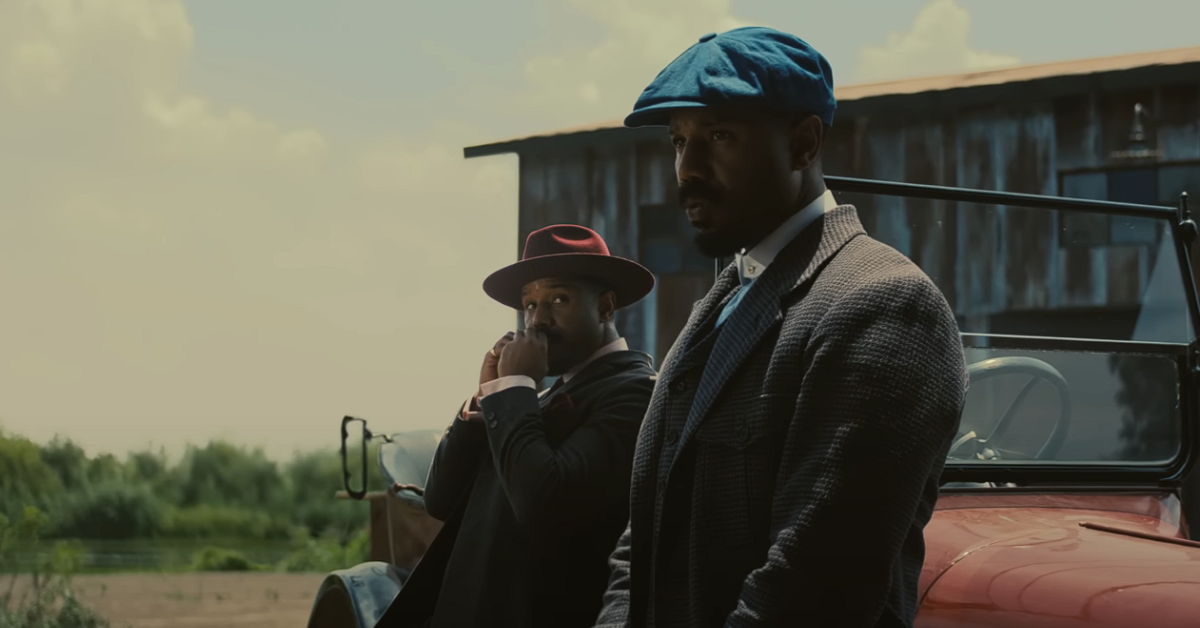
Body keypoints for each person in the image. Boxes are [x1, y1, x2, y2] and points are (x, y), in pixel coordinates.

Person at [593, 27, 969, 628]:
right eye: (678, 140)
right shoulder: (723, 301)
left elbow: (811, 587)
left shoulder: (882, 304)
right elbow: (644, 541)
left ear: (803, 143)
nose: (686, 168)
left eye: (718, 135)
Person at [381, 224, 658, 628]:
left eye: (558, 299)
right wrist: (486, 396)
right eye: (529, 303)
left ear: (605, 307)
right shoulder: (528, 400)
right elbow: (440, 500)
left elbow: (545, 505)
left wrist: (512, 390)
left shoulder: (634, 395)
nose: (538, 320)